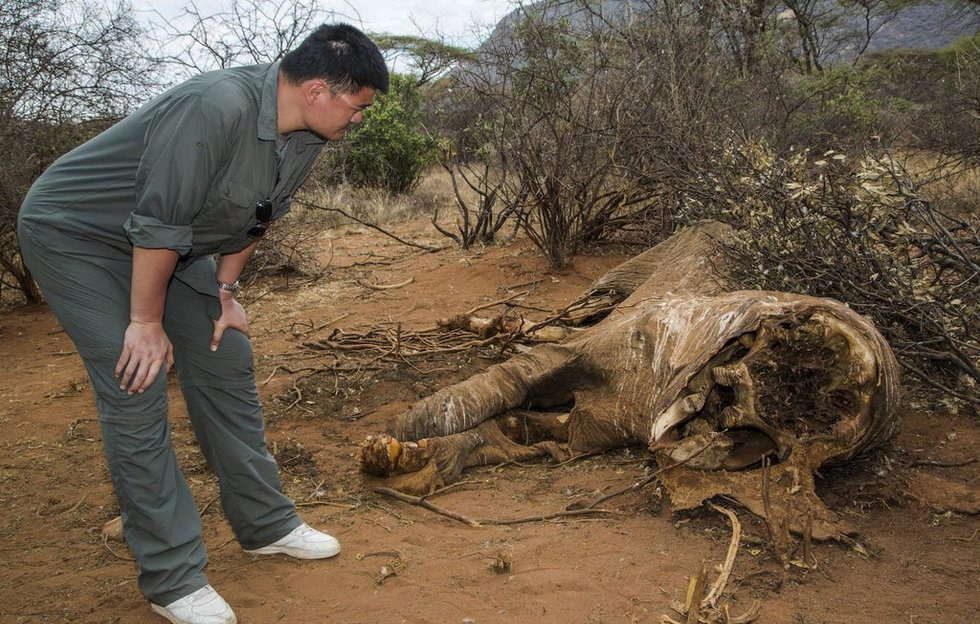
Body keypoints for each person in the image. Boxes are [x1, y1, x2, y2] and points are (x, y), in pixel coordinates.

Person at [17, 23, 388, 624]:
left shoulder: (307, 134)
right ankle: (172, 578)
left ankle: (265, 524)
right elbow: (159, 220)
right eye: (358, 108)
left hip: (169, 249)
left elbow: (258, 217)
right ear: (318, 89)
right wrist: (144, 321)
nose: (359, 121)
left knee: (225, 354)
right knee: (135, 379)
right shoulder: (214, 106)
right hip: (77, 237)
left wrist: (224, 291)